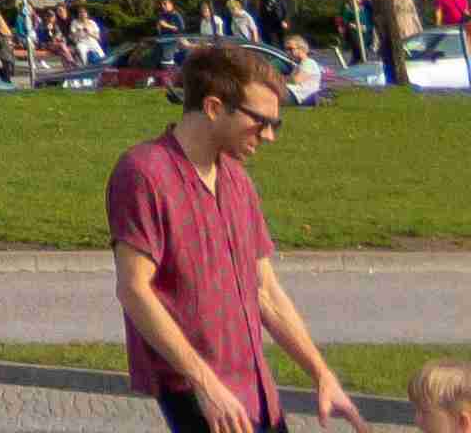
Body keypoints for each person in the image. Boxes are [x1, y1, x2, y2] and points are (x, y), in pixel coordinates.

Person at [114, 45, 361, 433]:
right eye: (261, 122)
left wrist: (321, 373)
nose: (269, 136)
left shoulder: (237, 180)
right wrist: (205, 384)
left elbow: (264, 291)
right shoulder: (145, 173)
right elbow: (134, 290)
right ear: (214, 107)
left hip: (255, 387)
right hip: (200, 394)